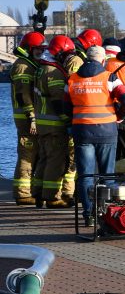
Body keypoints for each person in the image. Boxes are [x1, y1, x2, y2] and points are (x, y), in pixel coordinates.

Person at [65, 45, 125, 226]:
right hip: (106, 130)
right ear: (103, 60)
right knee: (107, 175)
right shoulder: (110, 78)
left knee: (86, 175)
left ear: (86, 59)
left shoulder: (72, 79)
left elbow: (65, 106)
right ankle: (107, 213)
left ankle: (89, 215)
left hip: (82, 131)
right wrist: (119, 116)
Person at [32, 35, 77, 208]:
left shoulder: (41, 68)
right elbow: (58, 100)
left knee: (44, 159)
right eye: (67, 53)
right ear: (59, 52)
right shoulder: (54, 72)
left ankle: (38, 193)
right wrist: (67, 120)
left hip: (42, 123)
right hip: (54, 125)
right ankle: (52, 198)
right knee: (55, 161)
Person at [10, 32, 45, 205]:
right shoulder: (23, 66)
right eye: (38, 49)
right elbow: (23, 95)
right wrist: (32, 117)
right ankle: (23, 194)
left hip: (31, 117)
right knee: (27, 154)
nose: (41, 52)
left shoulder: (30, 64)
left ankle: (31, 190)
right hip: (26, 119)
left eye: (42, 49)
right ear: (29, 49)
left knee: (34, 154)